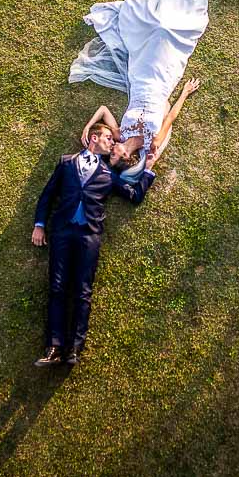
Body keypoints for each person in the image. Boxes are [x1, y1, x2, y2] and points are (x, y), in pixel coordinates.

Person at [30, 122, 156, 367]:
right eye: (108, 138)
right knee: (57, 287)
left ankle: (74, 349)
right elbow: (47, 195)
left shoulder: (109, 175)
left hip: (89, 237)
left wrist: (148, 171)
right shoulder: (66, 162)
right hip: (62, 233)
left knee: (83, 291)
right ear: (93, 138)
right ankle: (54, 347)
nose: (113, 142)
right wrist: (39, 224)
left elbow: (134, 196)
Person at [69, 0, 209, 175]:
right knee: (165, 32)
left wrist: (88, 127)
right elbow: (170, 116)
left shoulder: (120, 134)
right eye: (114, 156)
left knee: (156, 29)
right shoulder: (153, 142)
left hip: (139, 78)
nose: (111, 151)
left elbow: (103, 109)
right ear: (125, 157)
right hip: (161, 83)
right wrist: (185, 92)